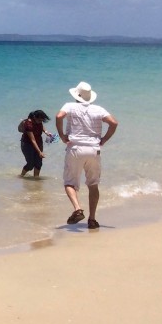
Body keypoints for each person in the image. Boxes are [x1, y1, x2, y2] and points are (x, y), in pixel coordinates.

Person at [55, 82, 118, 229]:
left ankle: (77, 209)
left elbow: (59, 116)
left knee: (70, 183)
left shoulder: (69, 106)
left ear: (76, 95)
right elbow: (114, 123)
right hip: (94, 149)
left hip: (75, 148)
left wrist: (62, 135)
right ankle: (92, 219)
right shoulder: (98, 109)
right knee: (93, 185)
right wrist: (104, 140)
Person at [18, 109, 52, 178]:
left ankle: (36, 179)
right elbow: (32, 140)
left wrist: (46, 132)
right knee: (30, 164)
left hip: (39, 142)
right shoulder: (28, 124)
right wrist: (39, 152)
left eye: (42, 120)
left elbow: (41, 125)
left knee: (39, 163)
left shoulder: (39, 121)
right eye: (39, 120)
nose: (41, 122)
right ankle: (21, 176)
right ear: (34, 118)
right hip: (27, 144)